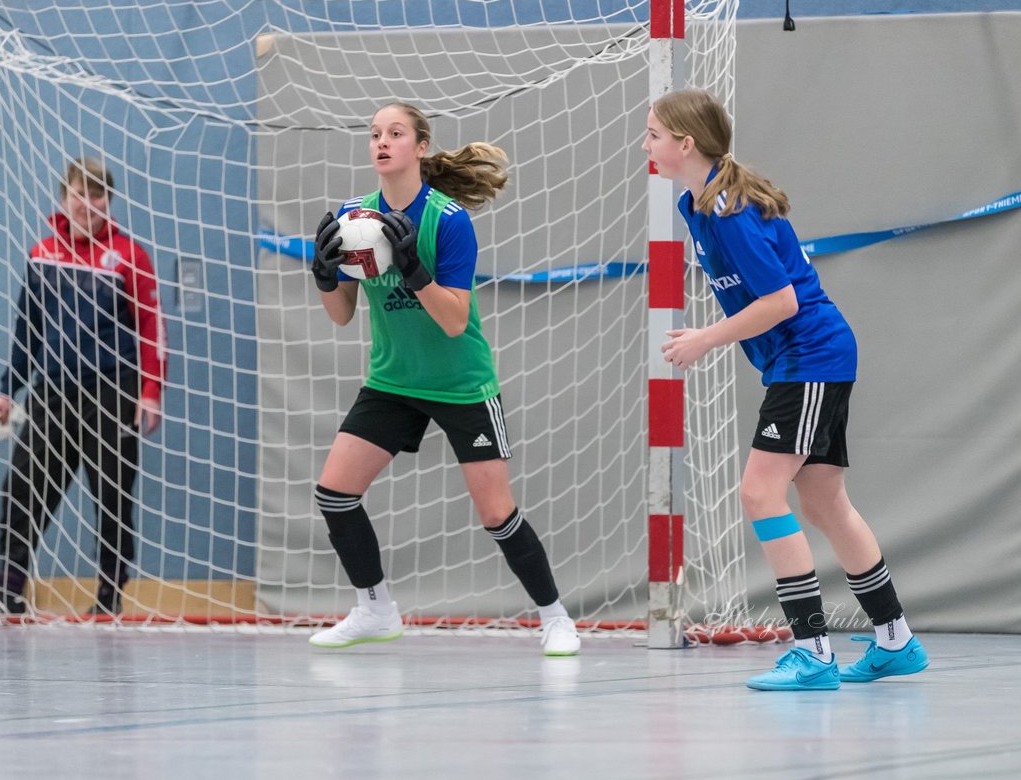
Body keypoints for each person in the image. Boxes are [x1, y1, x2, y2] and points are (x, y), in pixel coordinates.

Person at [644, 88, 928, 690]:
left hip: (811, 357)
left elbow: (782, 301)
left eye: (653, 135)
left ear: (685, 144)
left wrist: (706, 339)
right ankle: (895, 639)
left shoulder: (729, 211)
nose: (645, 144)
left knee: (758, 492)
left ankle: (813, 652)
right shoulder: (696, 206)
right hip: (803, 360)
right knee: (826, 503)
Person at [307, 102, 580, 655]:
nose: (382, 142)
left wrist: (414, 270)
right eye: (375, 134)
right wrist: (324, 274)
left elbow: (455, 321)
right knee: (335, 494)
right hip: (392, 381)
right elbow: (341, 315)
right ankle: (375, 609)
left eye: (396, 133)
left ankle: (556, 618)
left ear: (421, 147)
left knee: (496, 512)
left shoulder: (449, 220)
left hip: (461, 383)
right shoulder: (353, 218)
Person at [0, 157, 165, 617]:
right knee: (21, 488)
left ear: (110, 201)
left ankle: (108, 599)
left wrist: (150, 390)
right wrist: (10, 390)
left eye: (98, 194)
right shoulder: (42, 252)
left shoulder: (129, 255)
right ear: (63, 199)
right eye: (79, 193)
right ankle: (9, 591)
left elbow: (151, 327)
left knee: (111, 497)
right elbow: (28, 329)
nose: (88, 203)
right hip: (53, 391)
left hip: (113, 391)